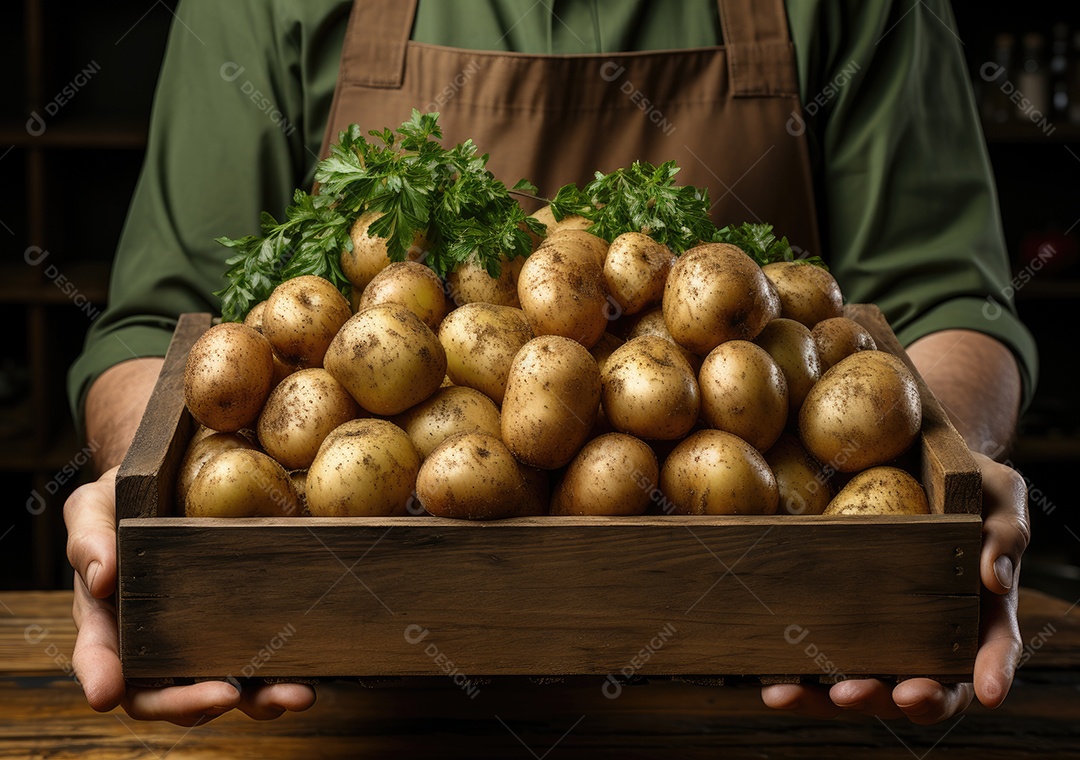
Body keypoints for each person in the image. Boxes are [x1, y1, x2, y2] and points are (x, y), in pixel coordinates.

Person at [65, 0, 1035, 727]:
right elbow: (156, 324)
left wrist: (942, 481)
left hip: (774, 700)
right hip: (333, 710)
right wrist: (133, 489)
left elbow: (946, 301)